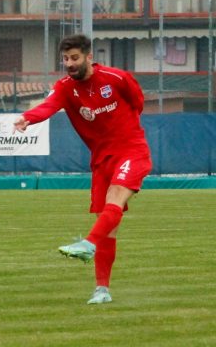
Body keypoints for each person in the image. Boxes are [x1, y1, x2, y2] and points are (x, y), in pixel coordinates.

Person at [13, 34, 152, 304]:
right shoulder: (65, 87)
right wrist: (27, 118)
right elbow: (49, 106)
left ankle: (88, 244)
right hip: (101, 161)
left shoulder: (117, 78)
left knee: (115, 198)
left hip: (132, 151)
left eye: (74, 58)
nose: (69, 63)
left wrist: (126, 132)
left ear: (89, 57)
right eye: (65, 59)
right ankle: (102, 290)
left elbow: (138, 102)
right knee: (109, 227)